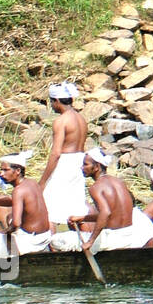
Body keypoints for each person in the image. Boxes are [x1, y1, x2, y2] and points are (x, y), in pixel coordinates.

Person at [51, 149, 153, 253]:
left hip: (114, 239)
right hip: (130, 234)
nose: (82, 167)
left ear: (96, 167)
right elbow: (111, 215)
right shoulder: (119, 182)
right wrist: (81, 218)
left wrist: (90, 242)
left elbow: (105, 213)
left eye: (85, 164)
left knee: (55, 241)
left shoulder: (96, 187)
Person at [38, 81, 89, 231]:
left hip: (65, 163)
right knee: (76, 208)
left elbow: (56, 153)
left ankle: (50, 250)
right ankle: (86, 243)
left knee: (47, 209)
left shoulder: (61, 121)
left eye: (52, 102)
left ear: (57, 101)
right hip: (80, 162)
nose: (52, 106)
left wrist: (43, 181)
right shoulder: (81, 119)